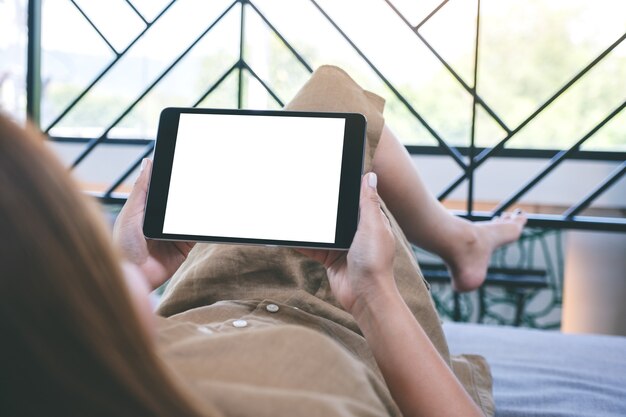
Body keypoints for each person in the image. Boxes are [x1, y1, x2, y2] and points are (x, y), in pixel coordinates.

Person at [0, 66, 525, 417]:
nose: (107, 266)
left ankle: (459, 240)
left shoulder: (82, 364)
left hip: (209, 293)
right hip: (357, 315)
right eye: (90, 260)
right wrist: (373, 293)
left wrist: (133, 273)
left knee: (331, 95)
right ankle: (462, 242)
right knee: (338, 114)